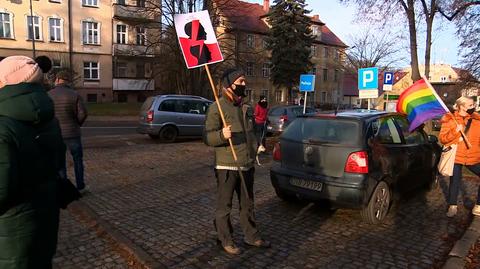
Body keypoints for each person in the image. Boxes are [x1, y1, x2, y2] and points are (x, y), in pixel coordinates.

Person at [0, 55, 65, 268]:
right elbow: (57, 163)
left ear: (5, 82)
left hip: (11, 231)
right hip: (45, 217)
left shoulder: (3, 127)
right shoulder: (49, 118)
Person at [204, 68, 270, 255]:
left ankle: (252, 236)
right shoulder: (216, 107)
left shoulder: (246, 107)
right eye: (240, 82)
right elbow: (207, 138)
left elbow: (251, 132)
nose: (244, 85)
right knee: (224, 206)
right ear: (228, 85)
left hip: (247, 164)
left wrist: (256, 145)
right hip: (226, 166)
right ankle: (224, 238)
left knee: (248, 203)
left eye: (244, 81)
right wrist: (221, 135)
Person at [439, 96, 480, 217]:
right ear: (462, 106)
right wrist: (455, 132)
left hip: (473, 156)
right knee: (455, 181)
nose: (474, 107)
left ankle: (478, 205)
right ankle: (452, 206)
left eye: (473, 105)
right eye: (471, 105)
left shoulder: (477, 121)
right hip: (456, 156)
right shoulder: (450, 119)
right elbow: (443, 139)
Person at [48, 70, 88, 192]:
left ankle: (63, 187)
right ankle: (80, 186)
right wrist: (77, 124)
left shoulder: (48, 95)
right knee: (77, 160)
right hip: (73, 133)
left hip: (56, 134)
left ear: (58, 80)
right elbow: (83, 113)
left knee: (60, 162)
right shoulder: (75, 94)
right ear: (67, 81)